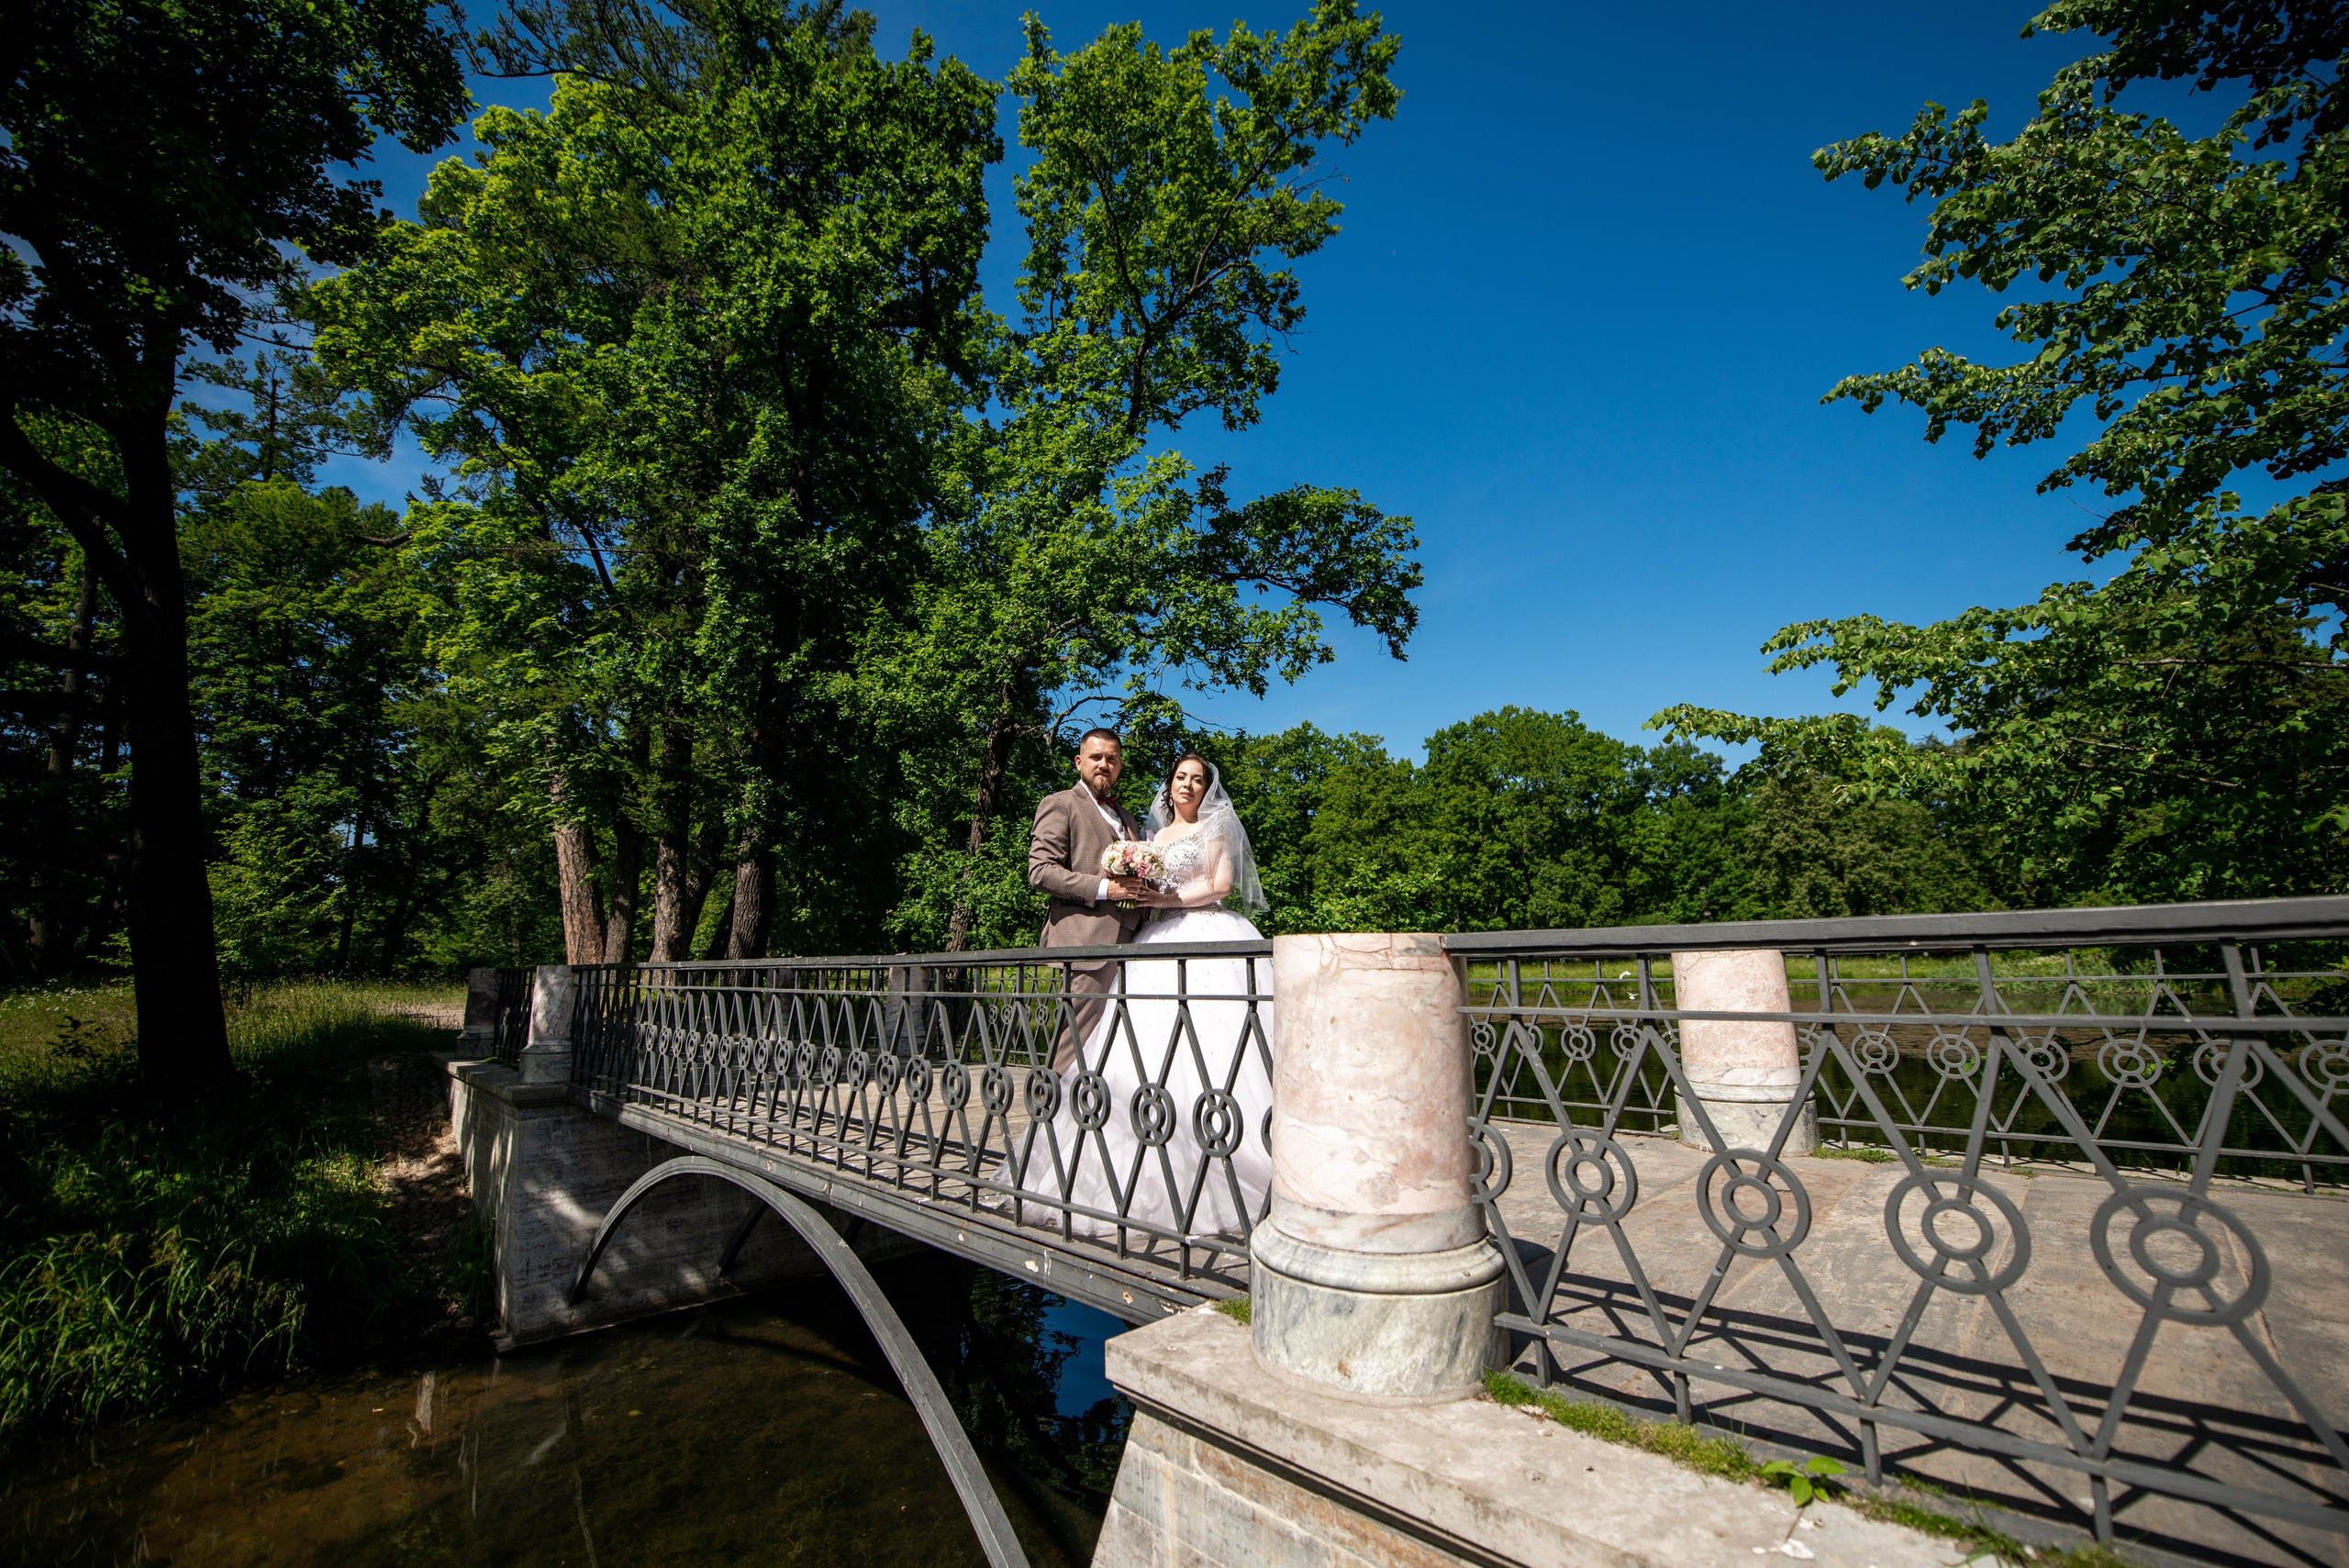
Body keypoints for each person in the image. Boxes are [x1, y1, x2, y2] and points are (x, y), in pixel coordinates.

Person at [1024, 751, 1274, 1248]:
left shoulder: (1218, 823)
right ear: (1171, 784)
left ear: (1207, 788)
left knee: (1215, 1043)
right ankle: (1099, 1147)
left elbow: (1221, 883)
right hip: (1151, 940)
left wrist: (1158, 899)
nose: (1188, 785)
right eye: (1181, 777)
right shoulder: (1152, 836)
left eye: (1197, 779)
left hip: (1208, 935)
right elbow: (1055, 872)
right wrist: (1135, 889)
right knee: (1133, 1043)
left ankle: (1227, 1153)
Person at [1027, 728, 1150, 1072]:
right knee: (1074, 1043)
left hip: (1132, 945)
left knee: (1112, 1045)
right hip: (1085, 946)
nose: (1104, 765)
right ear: (1080, 762)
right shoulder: (1060, 804)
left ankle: (1092, 1116)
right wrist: (1105, 889)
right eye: (1096, 757)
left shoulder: (1126, 818)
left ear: (1120, 766)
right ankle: (1049, 1118)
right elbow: (1041, 871)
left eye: (1111, 759)